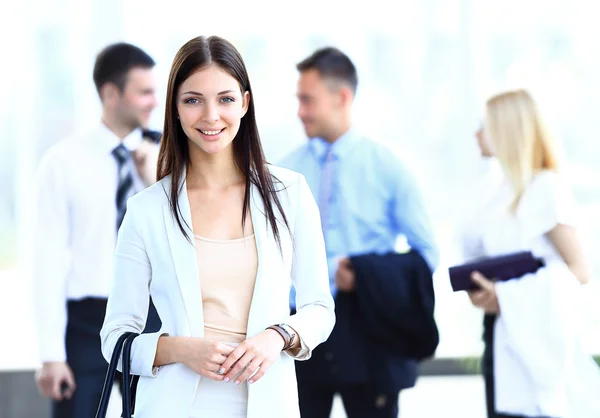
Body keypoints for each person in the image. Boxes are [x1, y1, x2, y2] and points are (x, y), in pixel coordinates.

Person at [99, 35, 335, 418]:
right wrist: (181, 349)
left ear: (244, 103)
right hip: (172, 407)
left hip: (267, 402)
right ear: (175, 108)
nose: (211, 116)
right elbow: (114, 339)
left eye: (225, 99)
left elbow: (320, 307)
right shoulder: (146, 210)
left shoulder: (289, 193)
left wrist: (277, 337)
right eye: (193, 100)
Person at [279, 47, 439, 418]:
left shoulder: (389, 166)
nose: (300, 111)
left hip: (368, 328)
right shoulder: (284, 173)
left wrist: (367, 274)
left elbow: (426, 253)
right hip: (299, 326)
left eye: (308, 100)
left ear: (342, 97)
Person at [33, 42, 162, 418]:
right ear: (111, 93)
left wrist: (155, 180)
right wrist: (51, 355)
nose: (154, 102)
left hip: (154, 319)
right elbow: (49, 259)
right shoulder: (63, 162)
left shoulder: (169, 159)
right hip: (87, 323)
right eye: (144, 92)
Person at [455, 89, 599, 418]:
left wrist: (506, 295)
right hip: (500, 332)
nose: (476, 133)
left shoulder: (545, 188)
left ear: (507, 129)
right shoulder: (496, 190)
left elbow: (579, 270)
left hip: (536, 337)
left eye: (484, 125)